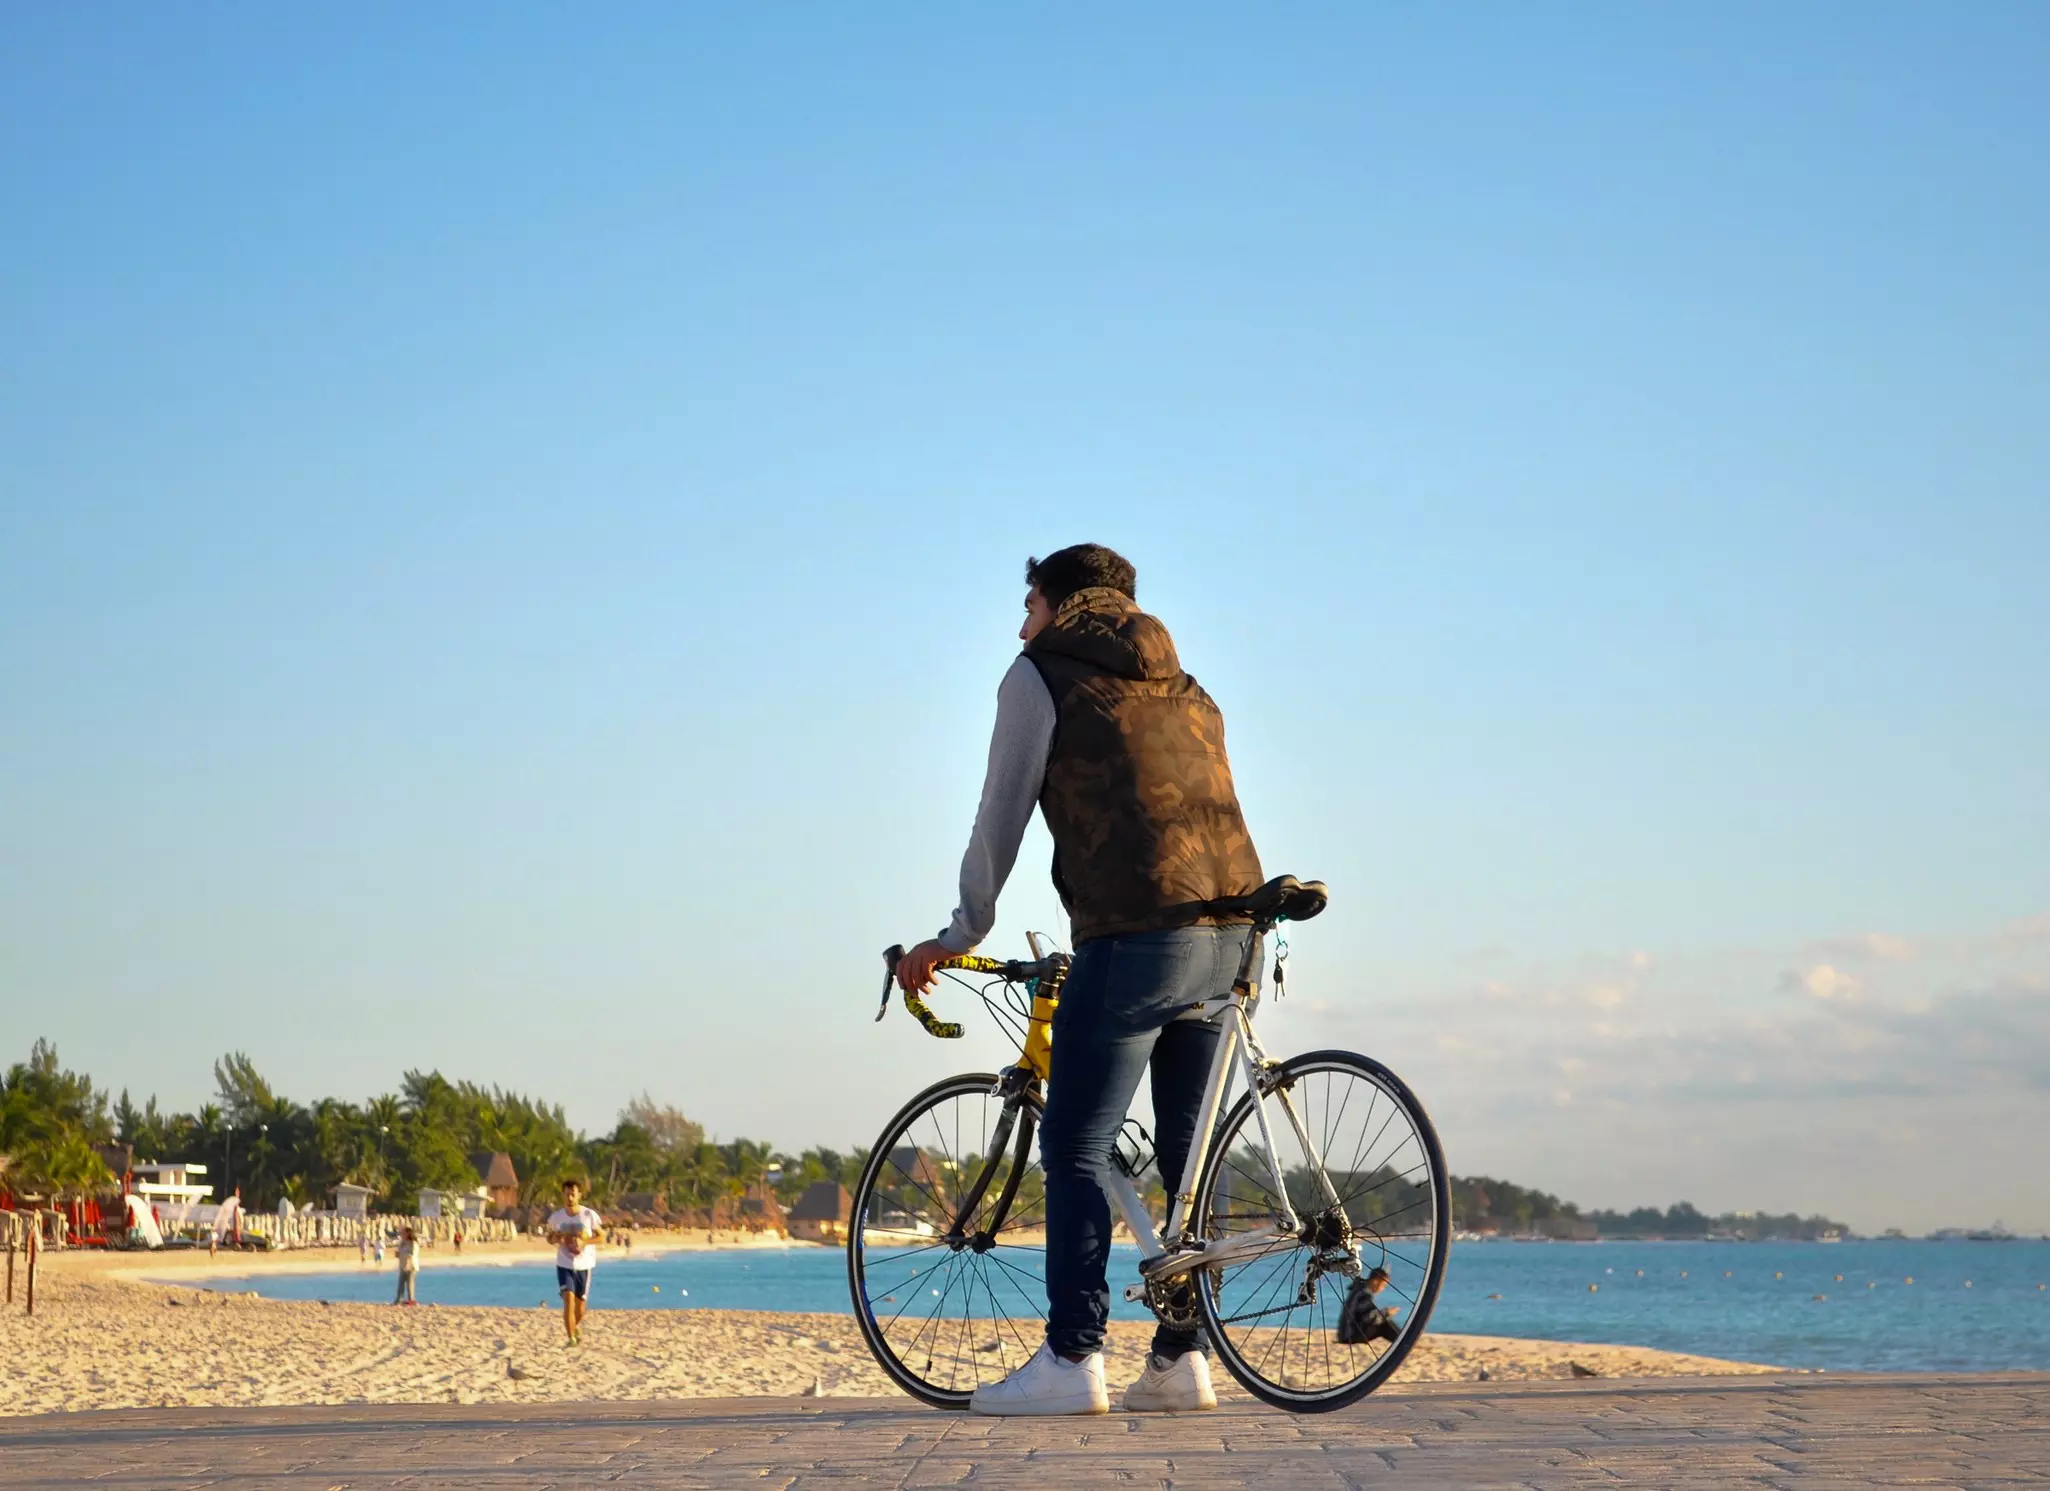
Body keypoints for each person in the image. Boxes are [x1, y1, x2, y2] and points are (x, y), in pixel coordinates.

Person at [895, 544, 1265, 1417]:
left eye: (1026, 603)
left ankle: (1072, 1357)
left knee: (1073, 1145)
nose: (1018, 622)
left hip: (1139, 936)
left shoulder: (1040, 674)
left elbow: (1002, 811)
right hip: (1233, 931)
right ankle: (1179, 1360)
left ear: (1060, 606)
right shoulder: (1187, 685)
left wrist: (961, 932)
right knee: (1188, 1154)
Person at [545, 1177, 603, 1346]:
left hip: (585, 1265)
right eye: (567, 1195)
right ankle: (571, 1338)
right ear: (562, 1195)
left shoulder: (589, 1215)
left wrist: (585, 1242)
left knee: (581, 1309)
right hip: (564, 1264)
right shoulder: (556, 1217)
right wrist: (554, 1238)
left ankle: (575, 1326)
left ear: (579, 1195)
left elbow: (601, 1237)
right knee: (568, 1300)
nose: (570, 1198)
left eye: (573, 1195)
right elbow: (549, 1238)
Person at [394, 1226, 420, 1305]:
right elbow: (401, 1253)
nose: (401, 1234)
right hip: (403, 1266)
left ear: (408, 1233)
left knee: (410, 1284)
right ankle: (399, 1300)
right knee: (401, 1283)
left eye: (403, 1233)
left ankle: (411, 1300)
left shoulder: (414, 1243)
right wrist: (398, 1254)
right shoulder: (402, 1243)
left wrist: (402, 1254)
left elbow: (412, 1254)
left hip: (411, 1266)